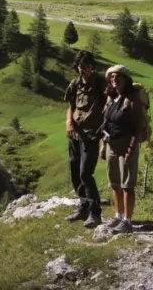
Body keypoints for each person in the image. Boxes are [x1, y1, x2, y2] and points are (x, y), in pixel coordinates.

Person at [101, 64, 146, 234]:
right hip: (111, 144)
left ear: (126, 79)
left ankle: (128, 221)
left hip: (127, 145)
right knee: (115, 183)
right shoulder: (111, 98)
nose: (114, 80)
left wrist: (131, 149)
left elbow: (137, 127)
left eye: (117, 77)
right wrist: (103, 145)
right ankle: (118, 216)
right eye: (111, 77)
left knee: (127, 185)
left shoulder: (131, 98)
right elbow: (105, 123)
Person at [64, 50, 106, 227]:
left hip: (91, 135)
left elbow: (109, 105)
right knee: (75, 170)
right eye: (82, 66)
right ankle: (83, 207)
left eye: (88, 66)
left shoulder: (100, 83)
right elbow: (71, 106)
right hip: (75, 134)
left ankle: (95, 213)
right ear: (77, 67)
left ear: (92, 66)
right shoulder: (75, 84)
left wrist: (105, 136)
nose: (85, 70)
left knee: (85, 173)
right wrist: (69, 123)